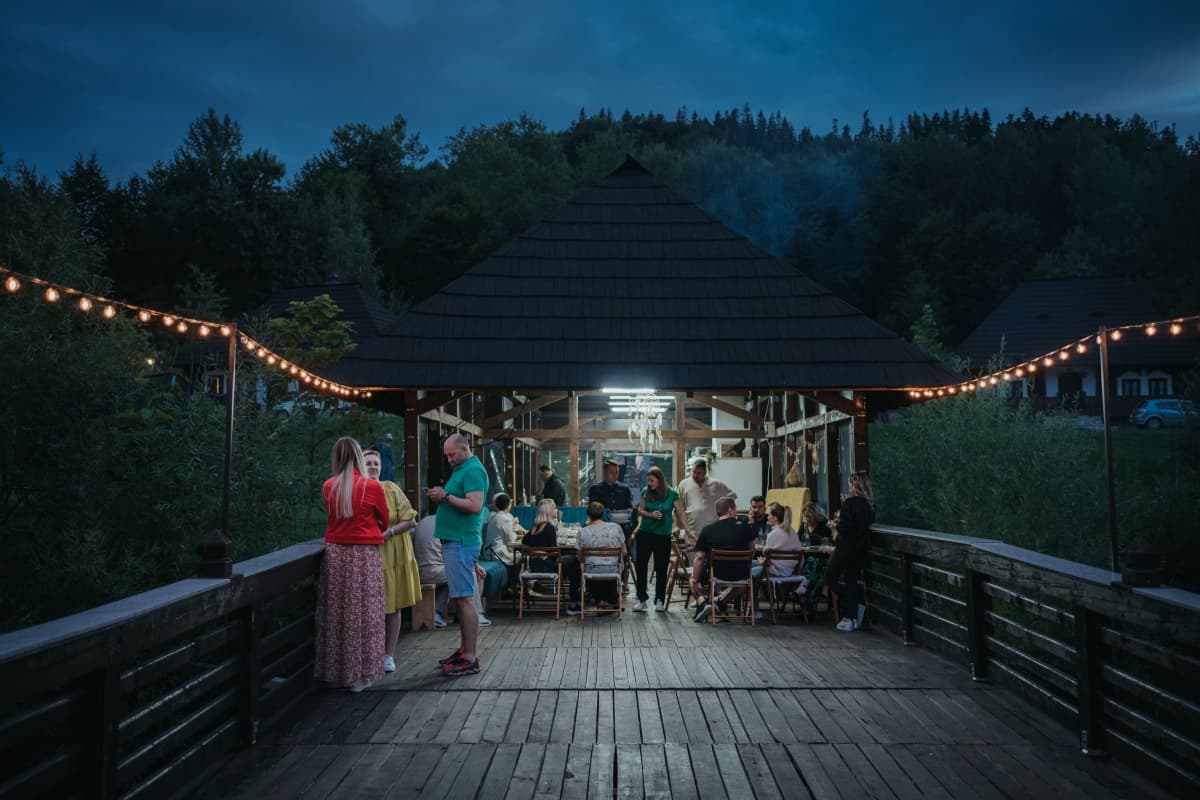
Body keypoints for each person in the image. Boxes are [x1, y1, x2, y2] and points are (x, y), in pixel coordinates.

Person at [315, 437, 388, 693]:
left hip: (335, 554)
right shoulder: (372, 487)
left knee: (337, 615)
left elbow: (333, 516)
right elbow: (385, 520)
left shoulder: (328, 486)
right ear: (358, 455)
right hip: (364, 555)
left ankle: (337, 671)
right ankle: (362, 674)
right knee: (365, 615)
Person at [427, 433, 488, 677]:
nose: (449, 459)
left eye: (452, 454)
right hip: (456, 541)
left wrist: (445, 497)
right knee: (461, 598)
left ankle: (470, 656)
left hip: (462, 541)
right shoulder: (462, 468)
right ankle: (464, 650)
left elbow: (474, 506)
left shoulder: (473, 471)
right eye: (447, 455)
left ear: (465, 448)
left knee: (465, 599)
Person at [364, 448, 420, 674]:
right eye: (368, 463)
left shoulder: (391, 488)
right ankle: (370, 653)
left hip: (395, 550)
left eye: (376, 463)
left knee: (393, 604)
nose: (373, 467)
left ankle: (389, 654)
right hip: (371, 553)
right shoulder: (358, 491)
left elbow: (411, 520)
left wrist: (389, 533)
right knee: (372, 605)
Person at [411, 515, 491, 629]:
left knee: (452, 577)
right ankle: (476, 614)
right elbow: (456, 553)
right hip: (435, 571)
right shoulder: (447, 524)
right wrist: (475, 564)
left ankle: (440, 613)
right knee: (472, 573)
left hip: (419, 571)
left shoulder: (424, 520)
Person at [690, 496, 756, 622]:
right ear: (730, 510)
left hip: (717, 573)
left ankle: (703, 603)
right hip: (741, 573)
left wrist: (695, 578)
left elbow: (699, 557)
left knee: (693, 578)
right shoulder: (744, 526)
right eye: (735, 509)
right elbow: (752, 550)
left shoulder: (708, 529)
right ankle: (719, 604)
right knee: (743, 585)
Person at [633, 466, 689, 612]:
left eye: (652, 480)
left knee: (661, 568)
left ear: (659, 480)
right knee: (641, 566)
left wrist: (689, 531)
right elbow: (640, 510)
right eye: (648, 480)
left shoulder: (672, 494)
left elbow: (681, 513)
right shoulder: (646, 491)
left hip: (663, 535)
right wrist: (650, 515)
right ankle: (642, 599)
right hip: (645, 533)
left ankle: (659, 600)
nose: (649, 483)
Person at [826, 473, 876, 631]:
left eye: (850, 484)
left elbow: (846, 528)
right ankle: (851, 617)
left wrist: (835, 525)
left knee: (830, 578)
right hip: (860, 549)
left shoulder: (850, 503)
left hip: (845, 547)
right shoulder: (870, 505)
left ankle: (852, 609)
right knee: (851, 581)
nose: (849, 486)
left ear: (854, 485)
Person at [565, 501, 628, 615]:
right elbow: (624, 551)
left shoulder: (583, 531)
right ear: (603, 513)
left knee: (575, 564)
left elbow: (580, 557)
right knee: (620, 563)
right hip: (613, 571)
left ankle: (576, 601)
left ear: (588, 515)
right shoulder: (616, 527)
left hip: (591, 571)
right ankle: (608, 600)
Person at [677, 458, 736, 542]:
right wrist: (680, 527)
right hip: (692, 530)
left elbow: (731, 499)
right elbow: (679, 508)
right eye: (693, 472)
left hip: (714, 529)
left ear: (705, 472)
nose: (695, 475)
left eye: (699, 473)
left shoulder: (716, 484)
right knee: (694, 554)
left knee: (712, 553)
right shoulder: (683, 484)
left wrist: (726, 516)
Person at [482, 493, 525, 585]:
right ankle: (516, 585)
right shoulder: (504, 519)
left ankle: (513, 584)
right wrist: (517, 536)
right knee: (524, 556)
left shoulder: (493, 516)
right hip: (497, 553)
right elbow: (511, 543)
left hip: (488, 551)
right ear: (508, 505)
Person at [763, 503, 803, 577]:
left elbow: (766, 555)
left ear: (775, 518)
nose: (767, 517)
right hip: (791, 572)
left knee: (750, 567)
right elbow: (799, 551)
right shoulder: (793, 532)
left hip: (775, 571)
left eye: (769, 515)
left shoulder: (772, 535)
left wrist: (761, 561)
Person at [523, 499, 560, 574]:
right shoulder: (550, 528)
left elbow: (524, 542)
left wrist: (534, 552)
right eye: (554, 508)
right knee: (568, 562)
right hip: (546, 566)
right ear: (549, 511)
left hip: (532, 565)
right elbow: (554, 554)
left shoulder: (535, 527)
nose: (556, 510)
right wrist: (542, 555)